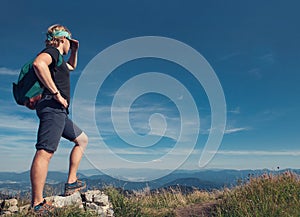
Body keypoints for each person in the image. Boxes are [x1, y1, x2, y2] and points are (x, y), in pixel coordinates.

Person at [30, 24, 88, 214]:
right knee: (45, 151)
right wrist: (56, 94)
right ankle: (37, 204)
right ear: (62, 39)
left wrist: (75, 50)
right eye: (69, 42)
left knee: (82, 140)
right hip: (53, 108)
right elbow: (39, 64)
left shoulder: (60, 60)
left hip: (60, 112)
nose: (70, 45)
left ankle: (71, 182)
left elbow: (71, 66)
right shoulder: (52, 52)